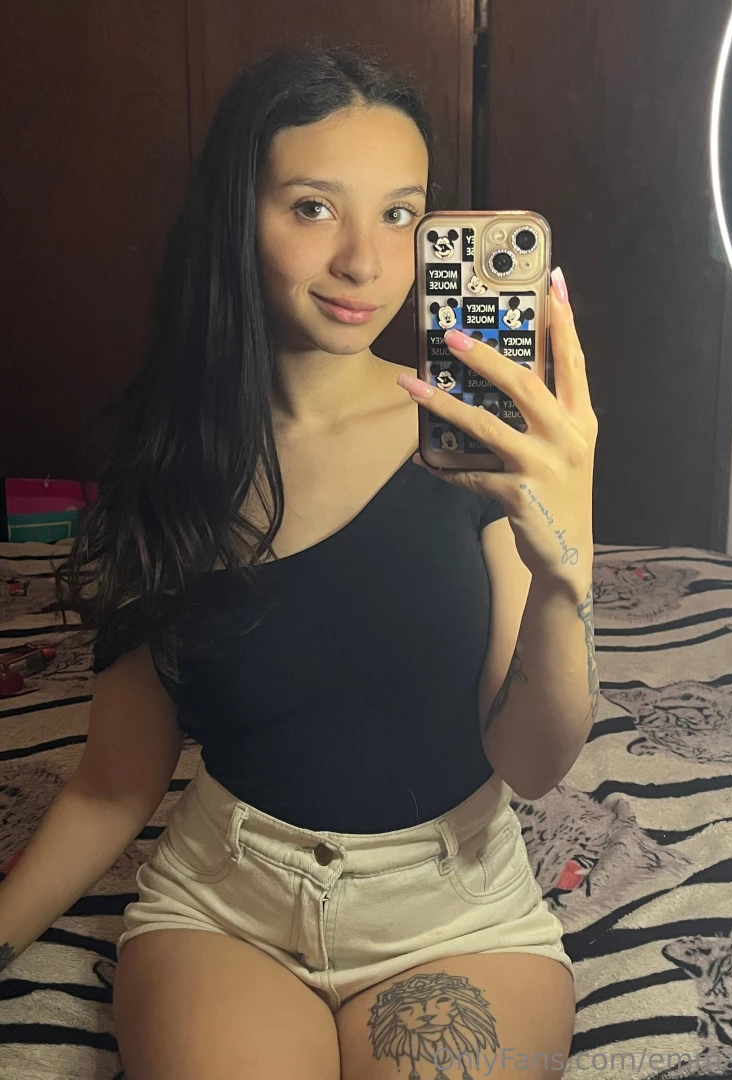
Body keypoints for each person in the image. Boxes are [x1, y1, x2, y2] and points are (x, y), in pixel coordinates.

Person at [0, 44, 594, 1079]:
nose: (365, 261)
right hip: (226, 907)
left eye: (401, 214)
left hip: (455, 913)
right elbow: (114, 782)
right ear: (237, 216)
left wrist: (563, 577)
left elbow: (534, 764)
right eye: (314, 207)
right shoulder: (168, 460)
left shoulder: (469, 441)